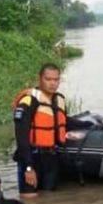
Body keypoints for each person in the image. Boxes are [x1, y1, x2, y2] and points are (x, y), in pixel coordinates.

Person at [13, 63, 67, 197]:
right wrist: (28, 167)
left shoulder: (57, 100)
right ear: (40, 79)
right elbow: (21, 136)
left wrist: (87, 124)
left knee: (48, 202)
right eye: (48, 79)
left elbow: (64, 122)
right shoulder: (28, 101)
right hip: (32, 157)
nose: (52, 83)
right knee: (30, 202)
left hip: (51, 158)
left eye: (56, 80)